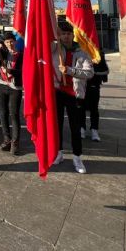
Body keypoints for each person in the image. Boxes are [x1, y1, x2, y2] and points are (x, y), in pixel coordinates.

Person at [53, 22, 94, 174]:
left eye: (68, 33)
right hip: (58, 92)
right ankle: (59, 153)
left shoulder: (82, 52)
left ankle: (77, 157)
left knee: (75, 128)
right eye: (63, 33)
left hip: (75, 95)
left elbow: (89, 73)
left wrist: (69, 70)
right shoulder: (55, 50)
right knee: (57, 125)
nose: (66, 36)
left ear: (72, 35)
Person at [0, 32, 23, 155]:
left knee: (14, 115)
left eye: (11, 41)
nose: (9, 44)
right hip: (1, 85)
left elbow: (23, 72)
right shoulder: (3, 54)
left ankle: (15, 142)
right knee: (3, 113)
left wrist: (10, 71)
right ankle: (6, 139)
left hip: (15, 88)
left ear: (15, 41)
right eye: (7, 42)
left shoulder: (22, 55)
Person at [80, 51, 109, 142]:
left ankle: (94, 130)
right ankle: (82, 128)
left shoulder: (98, 53)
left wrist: (93, 73)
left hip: (94, 85)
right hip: (81, 85)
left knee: (94, 109)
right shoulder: (79, 51)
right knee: (81, 108)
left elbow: (106, 70)